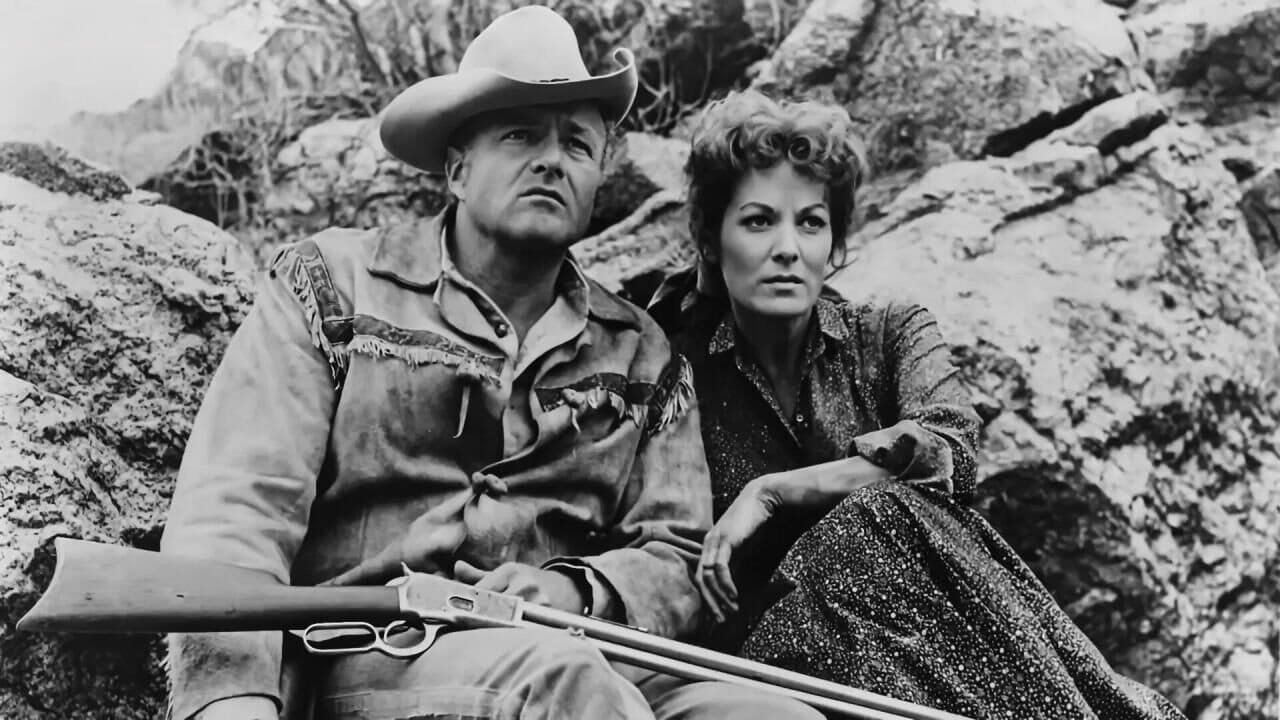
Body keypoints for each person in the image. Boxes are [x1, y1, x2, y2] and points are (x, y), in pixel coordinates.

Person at [161, 9, 822, 720]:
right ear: (457, 168)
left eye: (576, 142)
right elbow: (237, 511)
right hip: (368, 654)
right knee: (562, 681)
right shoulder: (333, 285)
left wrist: (578, 592)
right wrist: (231, 699)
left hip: (585, 658)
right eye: (520, 135)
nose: (552, 159)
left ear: (599, 176)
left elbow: (677, 554)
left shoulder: (642, 352)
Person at [648, 89, 1188, 720]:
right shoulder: (678, 368)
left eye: (811, 223)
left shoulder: (889, 333)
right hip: (785, 667)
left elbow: (951, 450)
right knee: (861, 526)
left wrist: (772, 493)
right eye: (759, 221)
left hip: (937, 639)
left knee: (883, 514)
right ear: (712, 241)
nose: (788, 247)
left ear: (834, 247)